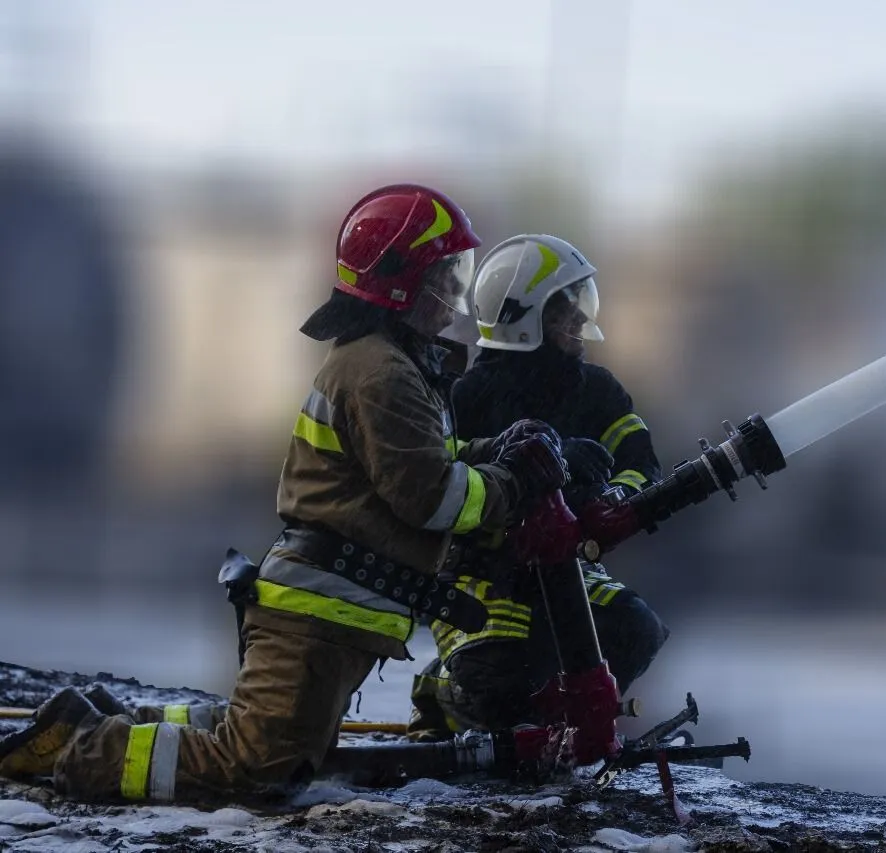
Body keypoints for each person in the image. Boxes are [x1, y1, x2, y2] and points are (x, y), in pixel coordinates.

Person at [0, 184, 570, 802]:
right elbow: (431, 498)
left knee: (265, 741)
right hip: (315, 617)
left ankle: (91, 723)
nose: (455, 295)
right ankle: (83, 750)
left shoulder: (389, 366)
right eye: (445, 275)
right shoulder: (382, 374)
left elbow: (421, 465)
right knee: (256, 765)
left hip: (328, 615)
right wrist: (516, 482)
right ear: (401, 282)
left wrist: (496, 453)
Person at [408, 233, 669, 738]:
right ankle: (441, 690)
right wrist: (546, 463)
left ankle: (558, 723)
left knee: (637, 631)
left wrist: (609, 497)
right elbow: (441, 475)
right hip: (482, 574)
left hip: (568, 565)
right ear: (524, 317)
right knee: (502, 696)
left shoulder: (598, 390)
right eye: (564, 307)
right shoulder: (466, 394)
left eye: (579, 301)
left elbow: (641, 465)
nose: (579, 318)